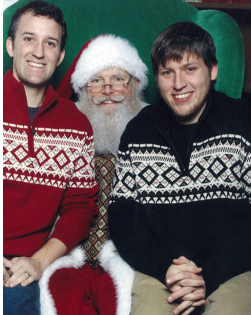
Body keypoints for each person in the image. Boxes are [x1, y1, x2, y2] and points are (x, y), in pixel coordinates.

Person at [108, 21, 251, 315]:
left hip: (239, 268)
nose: (179, 84)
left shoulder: (245, 122)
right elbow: (123, 221)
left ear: (212, 70)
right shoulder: (138, 132)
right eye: (167, 72)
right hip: (162, 270)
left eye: (190, 69)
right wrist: (166, 268)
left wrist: (208, 276)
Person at [38, 34, 150, 315]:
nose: (108, 89)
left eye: (118, 79)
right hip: (69, 251)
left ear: (135, 84)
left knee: (120, 302)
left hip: (127, 254)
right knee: (61, 295)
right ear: (83, 91)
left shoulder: (156, 131)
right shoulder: (64, 132)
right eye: (96, 81)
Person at [2, 1, 99, 313]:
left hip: (25, 266)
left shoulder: (77, 124)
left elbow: (80, 209)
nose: (38, 52)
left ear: (60, 56)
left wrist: (38, 262)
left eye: (50, 43)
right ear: (10, 46)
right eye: (29, 38)